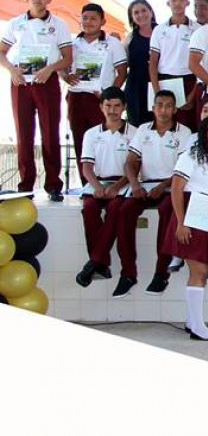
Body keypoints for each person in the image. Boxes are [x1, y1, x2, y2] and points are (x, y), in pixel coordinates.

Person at [164, 115, 208, 341]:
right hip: (191, 216)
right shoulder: (191, 156)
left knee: (201, 273)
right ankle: (198, 328)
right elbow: (176, 189)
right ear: (203, 134)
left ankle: (192, 321)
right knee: (199, 272)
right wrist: (182, 222)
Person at [112, 90, 193, 295]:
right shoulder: (143, 130)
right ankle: (128, 273)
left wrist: (162, 186)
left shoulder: (184, 133)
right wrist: (136, 186)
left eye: (168, 106)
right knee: (124, 211)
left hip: (173, 186)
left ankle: (161, 273)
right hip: (145, 186)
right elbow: (130, 162)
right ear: (153, 107)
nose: (163, 110)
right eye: (159, 105)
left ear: (175, 109)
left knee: (167, 211)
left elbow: (184, 169)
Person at [1, 0, 74, 200]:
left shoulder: (58, 25)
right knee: (24, 133)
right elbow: (2, 52)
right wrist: (12, 70)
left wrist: (49, 69)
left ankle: (53, 185)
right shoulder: (15, 23)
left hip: (46, 83)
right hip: (21, 83)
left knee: (50, 132)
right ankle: (25, 186)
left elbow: (68, 57)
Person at [76, 87, 135, 295]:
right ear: (101, 107)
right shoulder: (91, 134)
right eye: (108, 105)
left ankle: (95, 263)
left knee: (115, 211)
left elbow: (134, 168)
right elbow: (86, 167)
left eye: (117, 106)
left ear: (124, 107)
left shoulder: (134, 133)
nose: (112, 110)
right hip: (97, 183)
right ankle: (100, 262)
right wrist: (99, 187)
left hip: (123, 185)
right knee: (89, 209)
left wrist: (117, 187)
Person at [66, 3, 128, 162]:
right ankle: (86, 184)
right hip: (76, 96)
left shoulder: (113, 43)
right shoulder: (72, 44)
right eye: (85, 18)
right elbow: (62, 68)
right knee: (80, 140)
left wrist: (109, 96)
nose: (88, 22)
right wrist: (66, 76)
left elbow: (122, 72)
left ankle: (104, 180)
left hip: (100, 100)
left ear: (102, 21)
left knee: (103, 139)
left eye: (93, 18)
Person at [124, 0, 158, 127]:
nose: (141, 15)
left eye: (144, 10)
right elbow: (122, 64)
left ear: (151, 12)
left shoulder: (163, 32)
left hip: (159, 86)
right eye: (136, 12)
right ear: (132, 17)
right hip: (136, 89)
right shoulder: (130, 38)